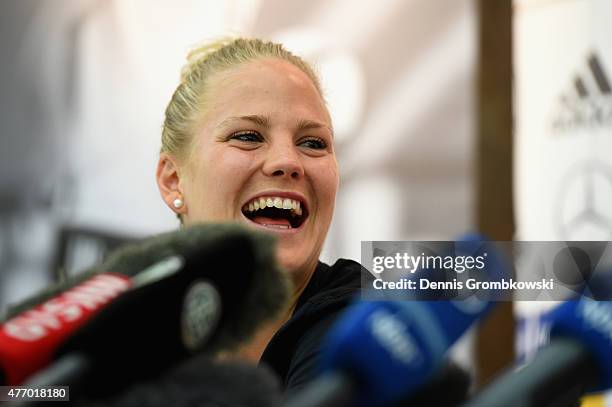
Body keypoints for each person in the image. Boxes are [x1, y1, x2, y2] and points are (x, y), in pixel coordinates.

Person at [155, 37, 364, 394]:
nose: (287, 161)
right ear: (174, 181)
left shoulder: (364, 327)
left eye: (313, 143)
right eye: (248, 136)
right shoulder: (120, 328)